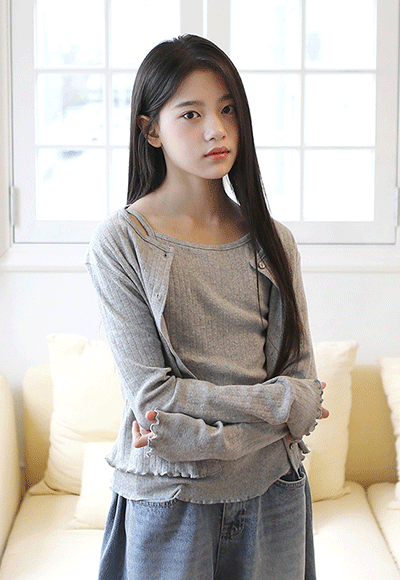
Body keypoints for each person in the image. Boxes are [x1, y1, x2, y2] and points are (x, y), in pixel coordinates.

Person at [86, 34, 328, 580]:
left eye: (227, 110)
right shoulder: (123, 242)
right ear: (151, 130)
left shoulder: (274, 241)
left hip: (275, 492)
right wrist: (281, 408)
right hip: (170, 498)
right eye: (191, 114)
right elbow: (154, 398)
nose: (216, 130)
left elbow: (302, 384)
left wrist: (182, 434)